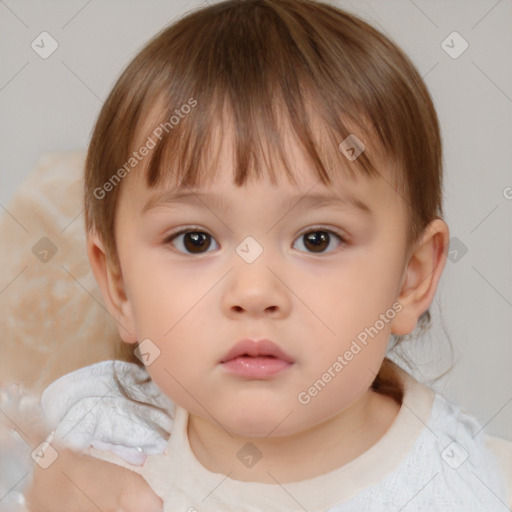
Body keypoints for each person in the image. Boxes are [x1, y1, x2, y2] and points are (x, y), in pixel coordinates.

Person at [26, 0, 511, 510]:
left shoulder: (470, 490)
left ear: (410, 278)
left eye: (317, 239)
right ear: (120, 286)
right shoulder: (98, 440)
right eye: (195, 240)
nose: (254, 293)